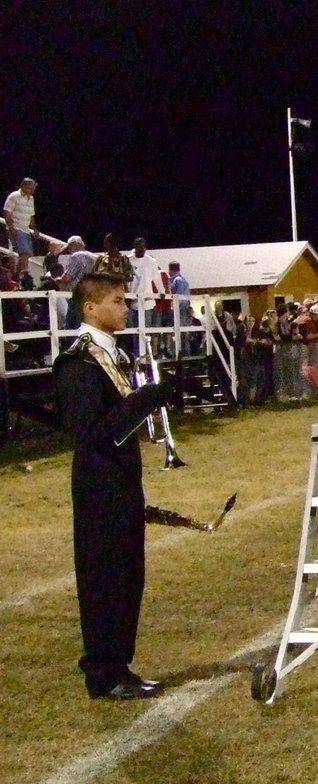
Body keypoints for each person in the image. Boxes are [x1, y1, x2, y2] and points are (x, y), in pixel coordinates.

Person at [53, 272, 174, 699]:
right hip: (99, 486)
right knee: (106, 577)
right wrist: (146, 399)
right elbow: (92, 433)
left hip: (121, 481)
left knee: (128, 575)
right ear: (91, 308)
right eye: (118, 301)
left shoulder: (110, 355)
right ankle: (104, 670)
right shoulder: (79, 362)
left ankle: (118, 664)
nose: (126, 308)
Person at [3, 178, 38, 280]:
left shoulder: (31, 199)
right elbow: (7, 212)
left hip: (25, 230)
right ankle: (23, 274)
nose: (33, 190)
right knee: (25, 253)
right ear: (24, 186)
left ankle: (16, 276)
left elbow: (31, 216)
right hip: (17, 228)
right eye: (31, 188)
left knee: (26, 254)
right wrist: (11, 227)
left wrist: (34, 229)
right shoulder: (14, 196)